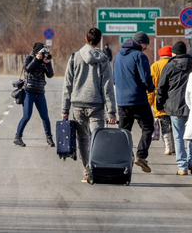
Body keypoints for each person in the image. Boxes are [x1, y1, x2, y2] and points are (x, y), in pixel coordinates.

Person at [62, 28, 117, 182]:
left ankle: (87, 170)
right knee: (97, 138)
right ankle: (96, 168)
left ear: (86, 39)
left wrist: (65, 109)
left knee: (83, 139)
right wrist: (111, 112)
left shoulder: (74, 58)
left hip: (78, 105)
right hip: (96, 105)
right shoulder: (104, 59)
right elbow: (108, 87)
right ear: (99, 41)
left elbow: (67, 85)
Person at [113, 32, 155, 173]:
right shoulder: (140, 56)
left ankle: (123, 160)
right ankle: (141, 156)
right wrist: (150, 88)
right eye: (146, 45)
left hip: (121, 101)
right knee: (148, 128)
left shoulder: (118, 57)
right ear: (140, 43)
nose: (146, 48)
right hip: (138, 99)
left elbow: (114, 79)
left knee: (124, 132)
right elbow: (145, 77)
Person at [156, 41, 192, 175]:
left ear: (174, 53)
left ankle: (182, 166)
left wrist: (159, 105)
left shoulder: (170, 66)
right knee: (191, 135)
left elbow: (161, 87)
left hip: (174, 105)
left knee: (178, 135)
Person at [14, 42, 55, 147]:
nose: (43, 54)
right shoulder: (28, 58)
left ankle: (49, 138)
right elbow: (28, 68)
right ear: (37, 52)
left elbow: (50, 75)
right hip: (29, 91)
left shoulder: (43, 61)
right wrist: (37, 59)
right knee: (27, 116)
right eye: (42, 52)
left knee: (45, 117)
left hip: (40, 93)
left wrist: (47, 63)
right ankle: (18, 137)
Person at [149, 45, 175, 155]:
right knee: (175, 124)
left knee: (165, 124)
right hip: (174, 99)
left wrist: (149, 102)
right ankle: (175, 146)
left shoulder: (155, 66)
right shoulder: (175, 64)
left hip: (160, 100)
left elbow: (150, 86)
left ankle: (168, 147)